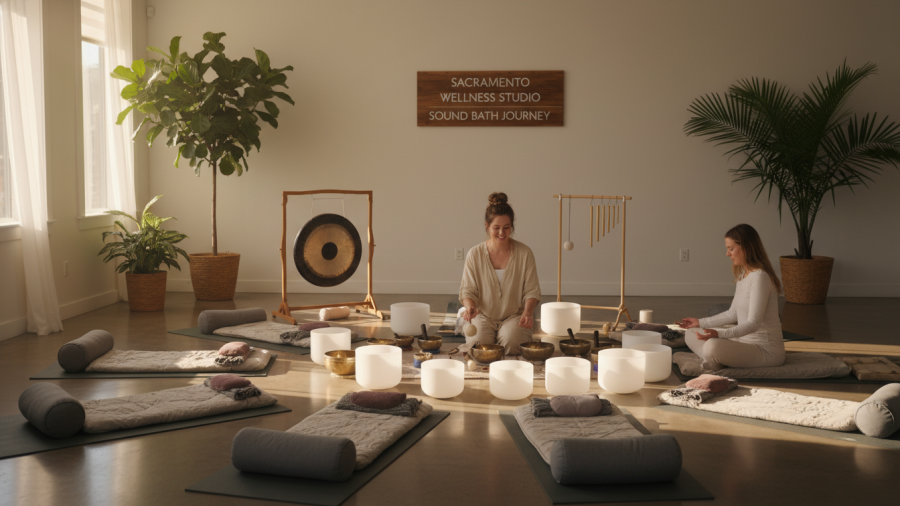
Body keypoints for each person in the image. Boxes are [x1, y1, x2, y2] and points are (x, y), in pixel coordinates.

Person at [679, 224, 784, 370]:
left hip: (766, 350)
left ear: (747, 247)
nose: (727, 254)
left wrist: (719, 334)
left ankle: (715, 359)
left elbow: (753, 323)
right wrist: (700, 322)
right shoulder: (743, 274)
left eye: (731, 248)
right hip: (742, 342)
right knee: (691, 333)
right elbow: (732, 313)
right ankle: (717, 361)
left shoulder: (760, 277)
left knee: (712, 346)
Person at [459, 192, 541, 355]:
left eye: (507, 227)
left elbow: (532, 290)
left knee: (512, 345)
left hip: (515, 315)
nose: (502, 233)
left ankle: (508, 335)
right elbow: (468, 290)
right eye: (496, 228)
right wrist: (470, 307)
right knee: (480, 348)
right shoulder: (474, 254)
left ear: (512, 226)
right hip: (483, 316)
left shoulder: (525, 253)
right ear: (487, 226)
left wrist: (527, 312)